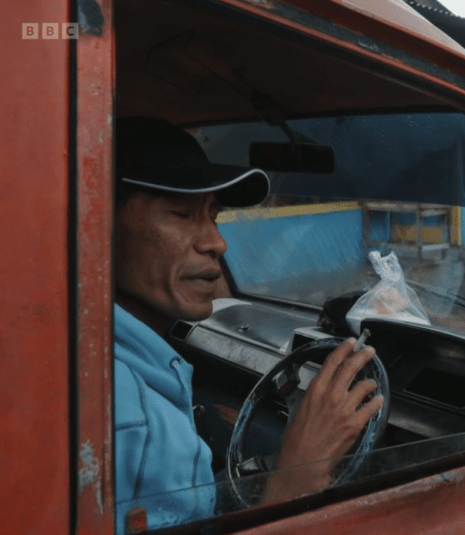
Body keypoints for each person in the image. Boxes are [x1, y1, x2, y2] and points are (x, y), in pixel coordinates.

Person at [113, 117, 383, 531]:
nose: (216, 242)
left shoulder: (114, 359)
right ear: (94, 223)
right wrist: (296, 477)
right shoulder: (130, 414)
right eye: (181, 214)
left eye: (213, 216)